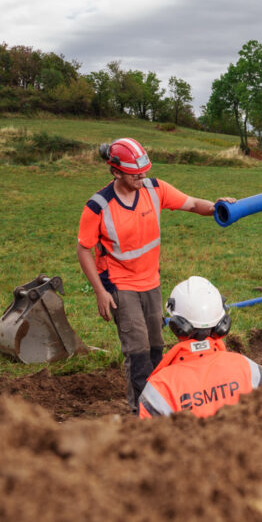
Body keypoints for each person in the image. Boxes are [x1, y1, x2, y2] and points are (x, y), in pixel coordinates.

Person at [76, 137, 235, 412]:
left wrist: (218, 206)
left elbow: (193, 204)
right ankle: (141, 411)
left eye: (144, 170)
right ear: (115, 172)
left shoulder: (155, 188)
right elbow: (83, 250)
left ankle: (161, 402)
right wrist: (101, 293)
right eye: (135, 173)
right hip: (119, 284)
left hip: (151, 281)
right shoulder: (98, 206)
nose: (142, 176)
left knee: (155, 346)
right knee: (137, 349)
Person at [139, 276, 262, 419]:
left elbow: (149, 438)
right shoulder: (251, 370)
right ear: (222, 325)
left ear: (177, 327)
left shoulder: (159, 389)